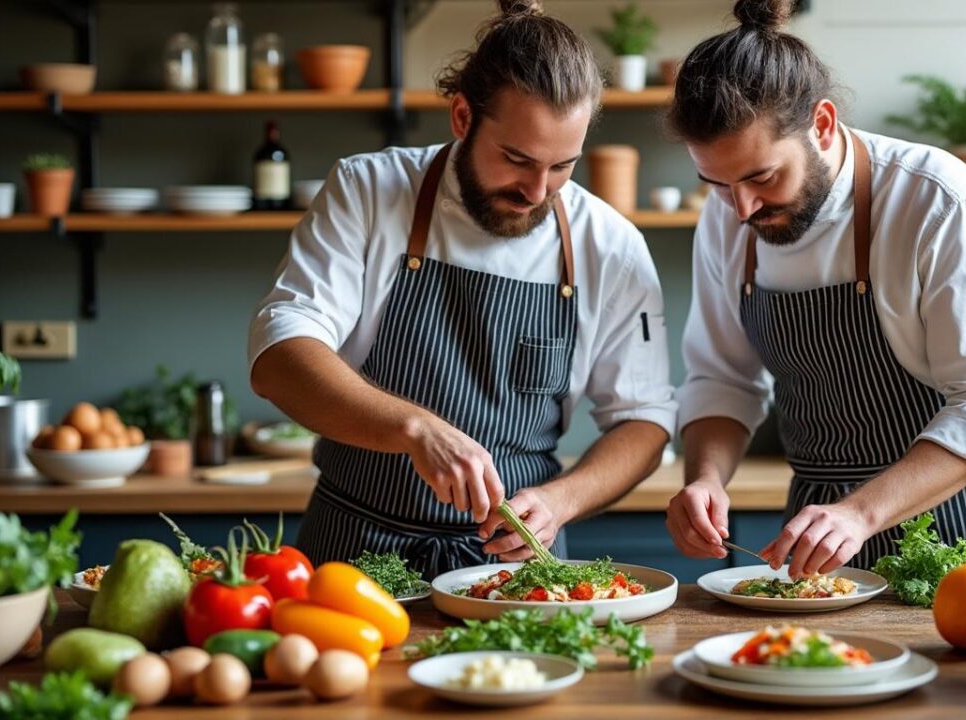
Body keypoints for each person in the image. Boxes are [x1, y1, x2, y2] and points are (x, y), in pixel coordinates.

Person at [248, 0, 675, 578]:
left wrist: (561, 501)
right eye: (517, 159)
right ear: (461, 116)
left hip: (516, 569)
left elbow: (644, 422)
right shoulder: (369, 191)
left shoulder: (612, 245)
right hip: (353, 554)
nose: (536, 190)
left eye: (562, 167)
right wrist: (415, 429)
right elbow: (280, 357)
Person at [664, 0, 966, 577]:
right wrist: (705, 478)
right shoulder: (728, 219)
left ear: (821, 124)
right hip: (823, 532)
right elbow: (722, 378)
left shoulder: (942, 204)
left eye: (763, 176)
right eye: (717, 184)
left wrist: (860, 513)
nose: (741, 207)